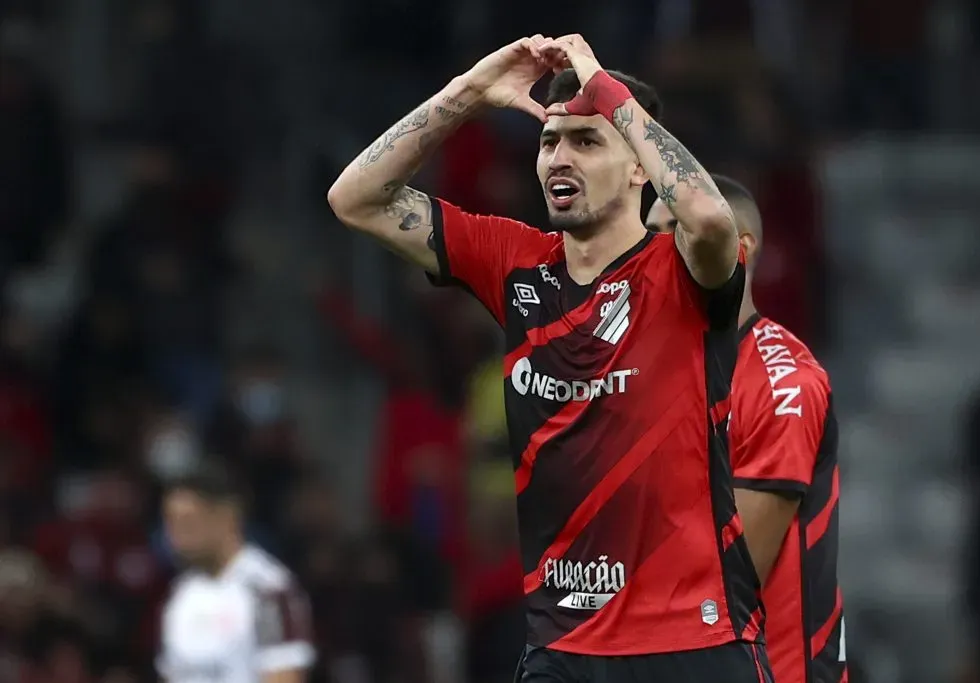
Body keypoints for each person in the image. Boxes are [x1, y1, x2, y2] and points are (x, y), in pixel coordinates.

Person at [329, 33, 770, 683]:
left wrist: (608, 92)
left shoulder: (681, 270)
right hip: (564, 648)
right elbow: (355, 198)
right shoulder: (515, 262)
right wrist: (470, 91)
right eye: (548, 142)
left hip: (693, 642)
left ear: (639, 169)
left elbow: (708, 218)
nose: (560, 158)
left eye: (586, 142)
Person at [648, 181, 847, 683]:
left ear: (740, 247)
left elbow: (729, 581)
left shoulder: (783, 382)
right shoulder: (652, 380)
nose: (652, 251)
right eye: (647, 236)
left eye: (676, 230)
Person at [157, 465, 315, 683]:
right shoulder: (181, 592)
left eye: (187, 521)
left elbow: (284, 674)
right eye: (171, 523)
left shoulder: (268, 590)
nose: (176, 536)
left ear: (226, 517)